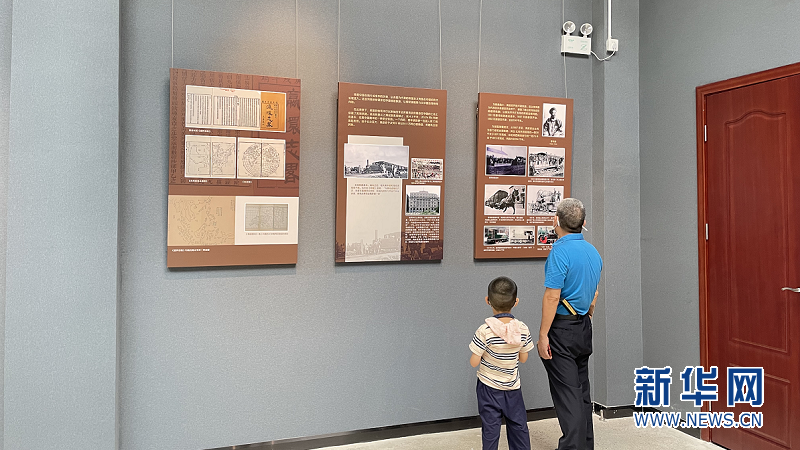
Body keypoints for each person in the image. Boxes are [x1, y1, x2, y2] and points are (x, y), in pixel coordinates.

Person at [537, 198, 602, 450]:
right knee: (582, 392)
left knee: (568, 395)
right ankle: (585, 446)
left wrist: (544, 335)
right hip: (584, 327)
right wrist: (587, 318)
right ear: (584, 223)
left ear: (556, 221)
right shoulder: (593, 252)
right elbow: (594, 294)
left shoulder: (559, 252)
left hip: (562, 329)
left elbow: (552, 296)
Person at [469, 277, 535, 450]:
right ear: (516, 302)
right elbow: (523, 358)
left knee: (490, 428)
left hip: (488, 387)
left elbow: (474, 362)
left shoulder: (484, 330)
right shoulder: (522, 328)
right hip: (512, 388)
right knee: (518, 425)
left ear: (488, 300)